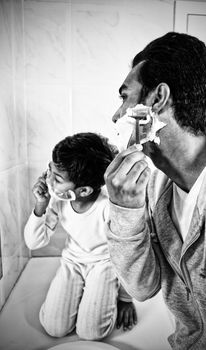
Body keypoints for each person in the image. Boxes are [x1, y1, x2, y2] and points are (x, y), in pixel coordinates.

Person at [104, 32, 206, 349]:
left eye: (125, 98)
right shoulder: (151, 185)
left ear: (156, 100)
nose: (116, 116)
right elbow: (143, 287)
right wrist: (125, 214)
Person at [24, 132, 137, 340]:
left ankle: (103, 295)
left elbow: (127, 254)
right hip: (72, 262)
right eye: (49, 170)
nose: (48, 179)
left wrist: (125, 298)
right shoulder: (59, 201)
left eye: (56, 178)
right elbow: (34, 241)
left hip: (105, 264)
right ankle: (81, 293)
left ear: (83, 190)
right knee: (54, 328)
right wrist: (40, 206)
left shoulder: (107, 208)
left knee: (91, 333)